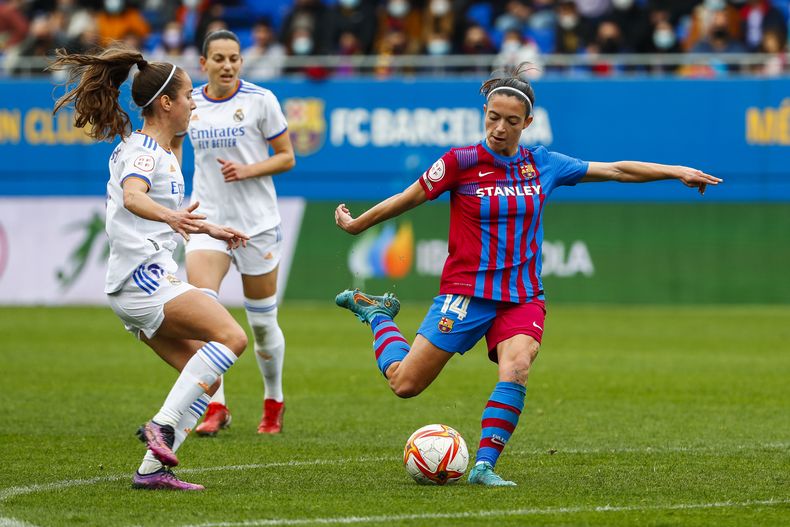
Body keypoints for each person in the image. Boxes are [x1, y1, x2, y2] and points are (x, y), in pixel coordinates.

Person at [334, 62, 722, 487]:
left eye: (511, 121)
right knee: (405, 384)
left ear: (528, 123)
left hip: (522, 295)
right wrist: (358, 225)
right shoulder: (460, 162)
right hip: (466, 293)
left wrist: (676, 171)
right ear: (484, 114)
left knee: (517, 366)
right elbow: (408, 198)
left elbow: (615, 169)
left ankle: (484, 466)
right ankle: (378, 317)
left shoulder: (545, 164)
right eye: (493, 117)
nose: (499, 127)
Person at [50, 46, 250, 490]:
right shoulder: (143, 153)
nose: (193, 103)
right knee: (233, 338)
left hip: (138, 283)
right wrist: (172, 217)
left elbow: (158, 207)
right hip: (143, 281)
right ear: (165, 103)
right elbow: (135, 197)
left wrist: (209, 228)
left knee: (208, 381)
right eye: (187, 97)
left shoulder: (161, 149)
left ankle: (152, 470)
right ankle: (161, 426)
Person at [185, 29, 295, 436]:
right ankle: (216, 405)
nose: (227, 65)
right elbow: (176, 152)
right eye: (219, 58)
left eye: (234, 58)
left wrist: (248, 170)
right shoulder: (190, 103)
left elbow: (287, 158)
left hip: (257, 225)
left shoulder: (260, 101)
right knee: (203, 314)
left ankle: (273, 400)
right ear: (204, 64)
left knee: (262, 324)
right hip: (208, 223)